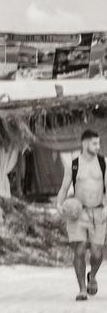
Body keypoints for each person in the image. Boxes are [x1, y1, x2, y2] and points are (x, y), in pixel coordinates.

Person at [58, 129, 105, 301]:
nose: (98, 146)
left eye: (98, 143)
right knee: (79, 249)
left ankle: (92, 276)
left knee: (97, 253)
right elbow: (64, 188)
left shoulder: (103, 163)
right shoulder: (74, 164)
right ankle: (82, 289)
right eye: (94, 143)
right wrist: (58, 204)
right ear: (85, 144)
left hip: (99, 212)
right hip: (78, 213)